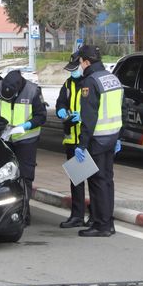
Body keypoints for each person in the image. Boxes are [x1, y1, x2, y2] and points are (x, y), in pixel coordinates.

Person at [66, 45, 123, 238]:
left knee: (97, 183)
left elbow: (88, 119)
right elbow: (120, 109)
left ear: (86, 62)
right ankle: (109, 222)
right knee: (107, 181)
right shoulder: (113, 79)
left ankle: (101, 225)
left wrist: (81, 145)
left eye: (80, 62)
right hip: (112, 136)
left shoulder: (90, 82)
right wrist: (119, 136)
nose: (79, 67)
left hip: (97, 139)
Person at [0, 69, 46, 226]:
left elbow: (41, 116)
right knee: (7, 177)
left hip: (26, 139)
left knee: (25, 176)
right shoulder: (0, 87)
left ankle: (24, 214)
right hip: (6, 138)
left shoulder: (32, 91)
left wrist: (26, 125)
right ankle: (8, 211)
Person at [55, 66, 90, 228]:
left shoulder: (89, 83)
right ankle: (77, 215)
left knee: (94, 180)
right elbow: (60, 102)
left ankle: (96, 215)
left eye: (75, 69)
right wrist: (61, 110)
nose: (72, 73)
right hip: (72, 139)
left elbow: (96, 108)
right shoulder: (68, 85)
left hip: (87, 138)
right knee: (76, 180)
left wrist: (82, 116)